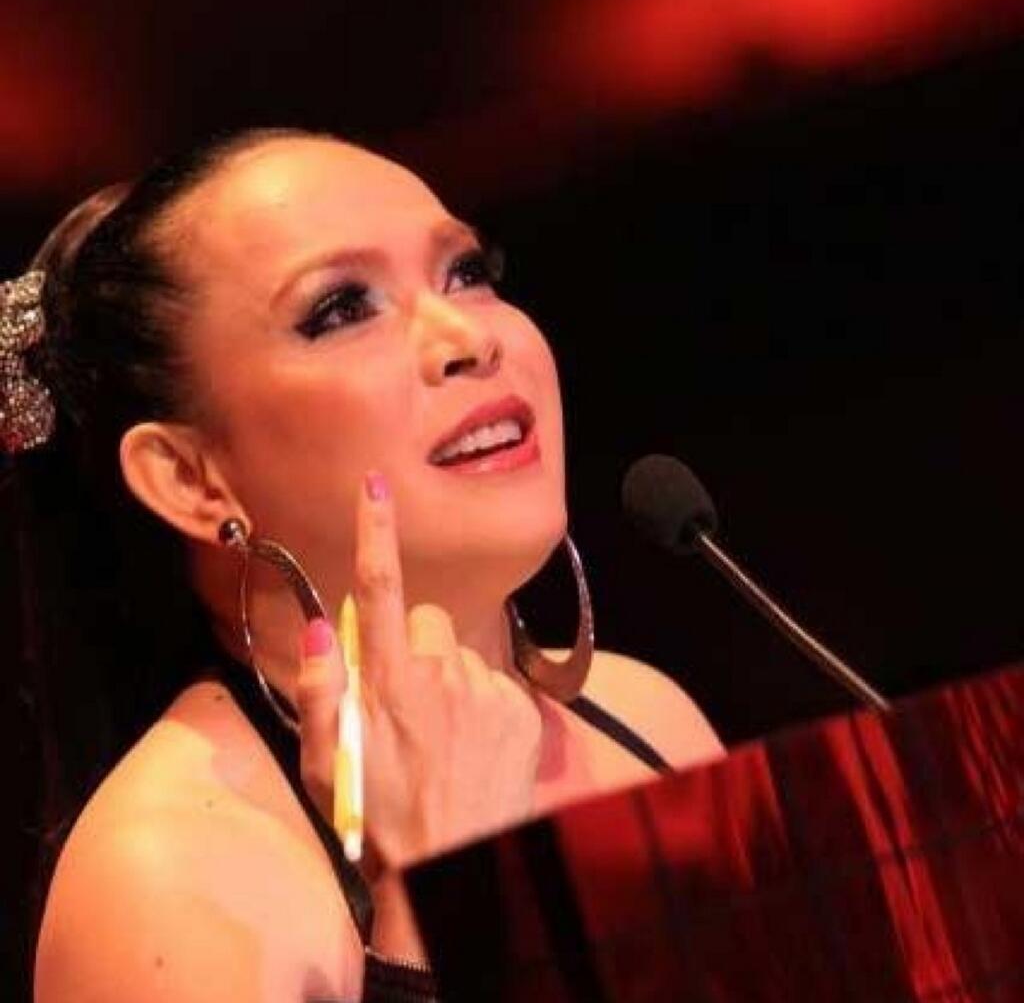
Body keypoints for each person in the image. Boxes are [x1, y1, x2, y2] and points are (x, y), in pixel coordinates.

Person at [4, 128, 723, 1002]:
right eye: (342, 310)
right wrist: (430, 896)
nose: (467, 335)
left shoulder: (650, 715)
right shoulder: (160, 878)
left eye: (466, 272)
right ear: (190, 479)